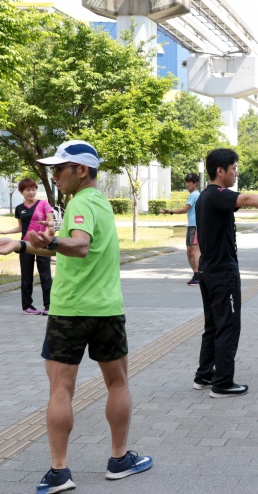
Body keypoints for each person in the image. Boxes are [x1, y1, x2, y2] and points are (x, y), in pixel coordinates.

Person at [0, 140, 154, 493]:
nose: (54, 175)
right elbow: (72, 247)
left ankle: (59, 472)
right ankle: (119, 460)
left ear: (81, 170)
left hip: (69, 311)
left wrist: (52, 243)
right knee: (118, 384)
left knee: (60, 390)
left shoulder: (81, 203)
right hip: (106, 310)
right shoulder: (98, 202)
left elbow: (80, 245)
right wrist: (21, 245)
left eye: (59, 168)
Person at [193, 148, 258, 398]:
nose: (236, 173)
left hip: (208, 270)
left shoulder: (205, 196)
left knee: (212, 325)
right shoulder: (218, 194)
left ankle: (204, 375)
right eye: (234, 169)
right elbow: (247, 199)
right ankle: (222, 383)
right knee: (228, 326)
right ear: (220, 171)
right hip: (222, 273)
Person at [0, 177, 54, 315]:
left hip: (42, 244)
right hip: (25, 245)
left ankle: (49, 306)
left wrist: (47, 224)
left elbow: (52, 222)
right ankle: (27, 306)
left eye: (34, 189)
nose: (31, 192)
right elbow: (20, 228)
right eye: (28, 190)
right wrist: (4, 232)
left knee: (45, 275)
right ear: (21, 192)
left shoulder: (43, 204)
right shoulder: (19, 208)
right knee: (26, 276)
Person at [162, 173, 201, 286]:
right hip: (191, 226)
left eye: (190, 182)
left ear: (196, 183)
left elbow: (185, 210)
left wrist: (171, 212)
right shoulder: (194, 194)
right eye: (186, 182)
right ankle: (196, 274)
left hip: (195, 226)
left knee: (194, 251)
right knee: (189, 252)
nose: (187, 184)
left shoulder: (194, 195)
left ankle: (199, 276)